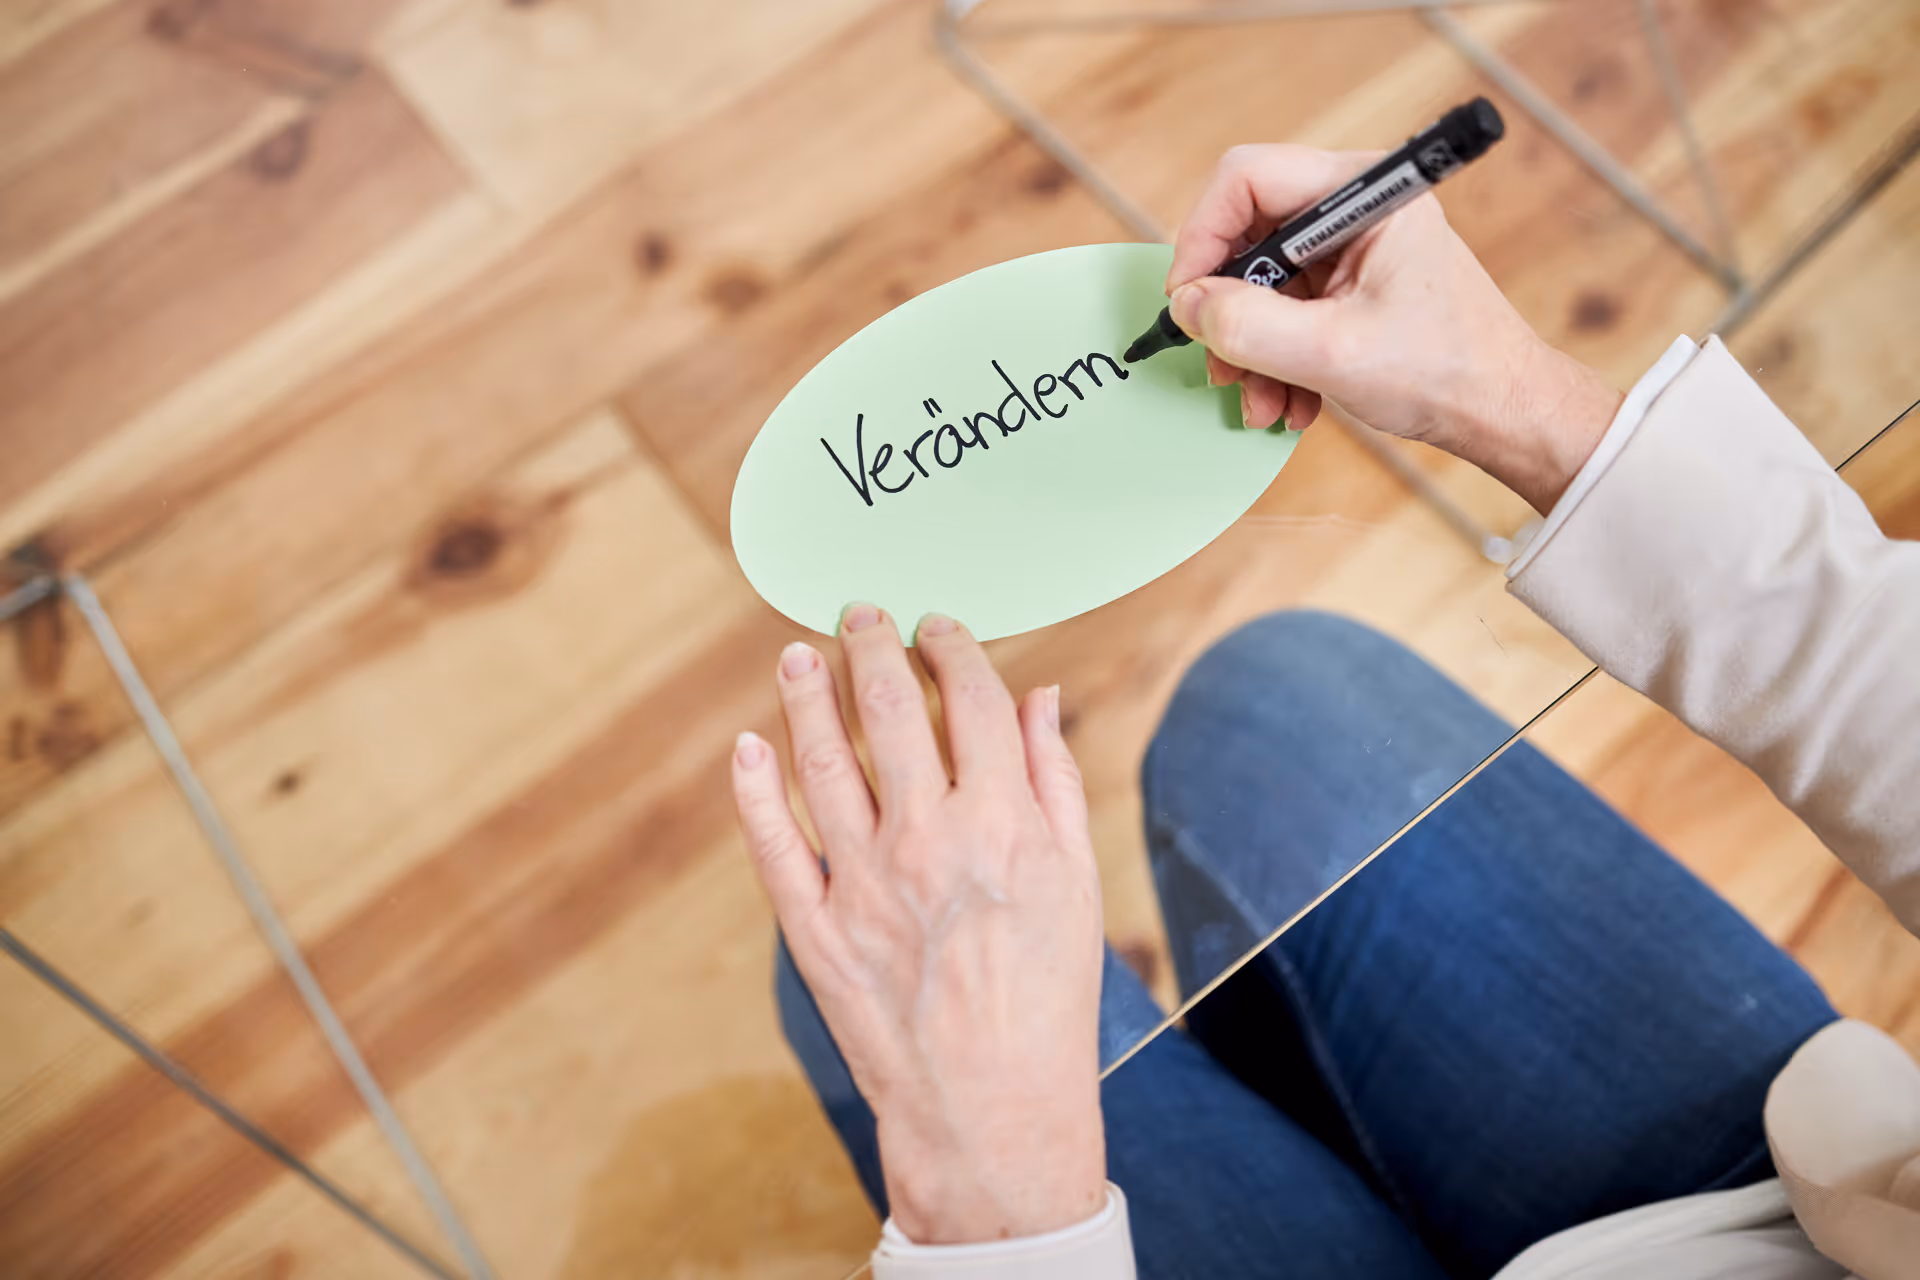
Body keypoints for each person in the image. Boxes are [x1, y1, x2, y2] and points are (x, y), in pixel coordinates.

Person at [728, 145, 1920, 1279]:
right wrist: (1514, 397)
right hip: (1802, 1207)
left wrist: (1000, 1209)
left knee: (847, 949)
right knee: (1275, 706)